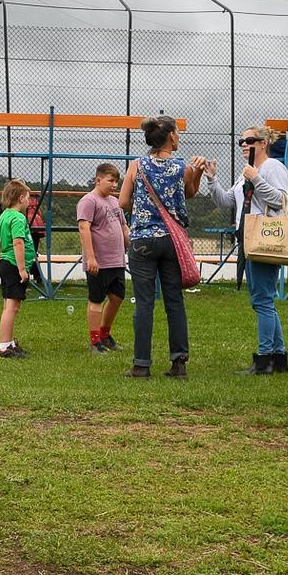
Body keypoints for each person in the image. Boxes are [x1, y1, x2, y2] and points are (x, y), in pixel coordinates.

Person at [118, 115, 206, 379]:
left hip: (143, 240)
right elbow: (189, 193)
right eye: (177, 133)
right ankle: (179, 364)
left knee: (144, 303)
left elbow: (122, 201)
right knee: (174, 301)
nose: (179, 137)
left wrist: (143, 215)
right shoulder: (182, 167)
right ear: (169, 136)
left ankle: (141, 365)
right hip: (172, 241)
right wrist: (198, 171)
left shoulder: (137, 165)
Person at [206, 126, 288, 374]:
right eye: (241, 140)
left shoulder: (273, 168)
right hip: (248, 240)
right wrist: (212, 179)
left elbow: (279, 200)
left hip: (264, 239)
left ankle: (264, 359)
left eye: (249, 140)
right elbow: (227, 201)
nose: (243, 144)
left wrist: (256, 178)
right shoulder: (245, 173)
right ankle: (278, 358)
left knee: (262, 300)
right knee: (263, 300)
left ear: (264, 142)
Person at [76, 163, 129, 354]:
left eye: (116, 181)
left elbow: (123, 226)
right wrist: (91, 258)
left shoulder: (115, 202)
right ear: (98, 180)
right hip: (99, 261)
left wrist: (130, 242)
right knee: (96, 299)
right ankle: (94, 341)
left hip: (117, 260)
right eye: (111, 180)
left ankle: (105, 335)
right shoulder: (88, 201)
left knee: (117, 297)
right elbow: (84, 228)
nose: (114, 185)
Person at [0, 179, 35, 359]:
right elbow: (18, 242)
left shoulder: (3, 216)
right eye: (28, 198)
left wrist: (0, 258)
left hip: (5, 262)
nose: (29, 201)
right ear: (20, 198)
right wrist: (21, 269)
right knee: (12, 306)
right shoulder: (18, 218)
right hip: (13, 265)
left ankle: (9, 342)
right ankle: (4, 347)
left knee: (8, 304)